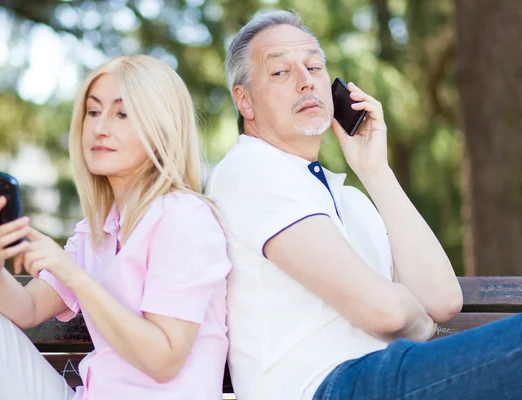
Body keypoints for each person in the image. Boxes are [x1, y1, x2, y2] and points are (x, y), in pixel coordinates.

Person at [207, 9, 522, 400]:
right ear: (245, 101)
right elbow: (386, 313)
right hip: (324, 387)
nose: (306, 82)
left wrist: (375, 171)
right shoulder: (249, 169)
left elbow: (442, 299)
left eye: (314, 66)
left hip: (388, 377)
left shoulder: (349, 197)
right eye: (280, 72)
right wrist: (417, 323)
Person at [0, 54, 231, 400]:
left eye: (122, 113)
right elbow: (28, 308)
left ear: (162, 128)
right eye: (93, 111)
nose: (100, 127)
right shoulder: (97, 230)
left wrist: (74, 275)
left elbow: (164, 359)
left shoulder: (184, 218)